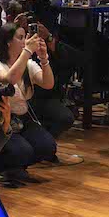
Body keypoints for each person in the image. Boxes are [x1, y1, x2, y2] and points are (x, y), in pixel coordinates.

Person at [0, 19, 57, 183]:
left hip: (23, 118)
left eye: (25, 37)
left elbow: (48, 84)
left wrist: (44, 59)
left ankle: (18, 166)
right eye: (20, 37)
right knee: (22, 151)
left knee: (48, 147)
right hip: (2, 121)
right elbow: (9, 79)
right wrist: (27, 50)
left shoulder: (28, 64)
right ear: (7, 42)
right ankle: (1, 168)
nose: (25, 41)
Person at [27, 21, 80, 149]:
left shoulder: (48, 41)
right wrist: (26, 49)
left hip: (45, 95)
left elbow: (48, 83)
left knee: (65, 118)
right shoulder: (14, 36)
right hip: (21, 99)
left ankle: (43, 141)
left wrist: (48, 41)